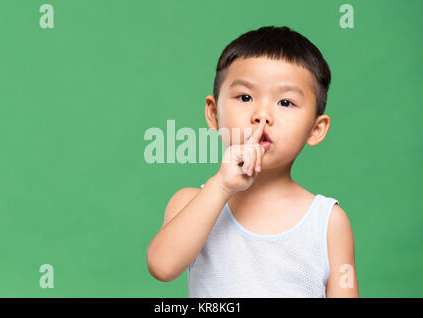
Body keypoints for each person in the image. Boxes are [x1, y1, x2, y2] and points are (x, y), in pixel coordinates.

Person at [147, 26, 359, 298]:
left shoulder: (327, 222)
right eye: (245, 97)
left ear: (315, 130)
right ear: (213, 114)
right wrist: (222, 186)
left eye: (285, 102)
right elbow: (162, 266)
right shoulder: (191, 202)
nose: (262, 115)